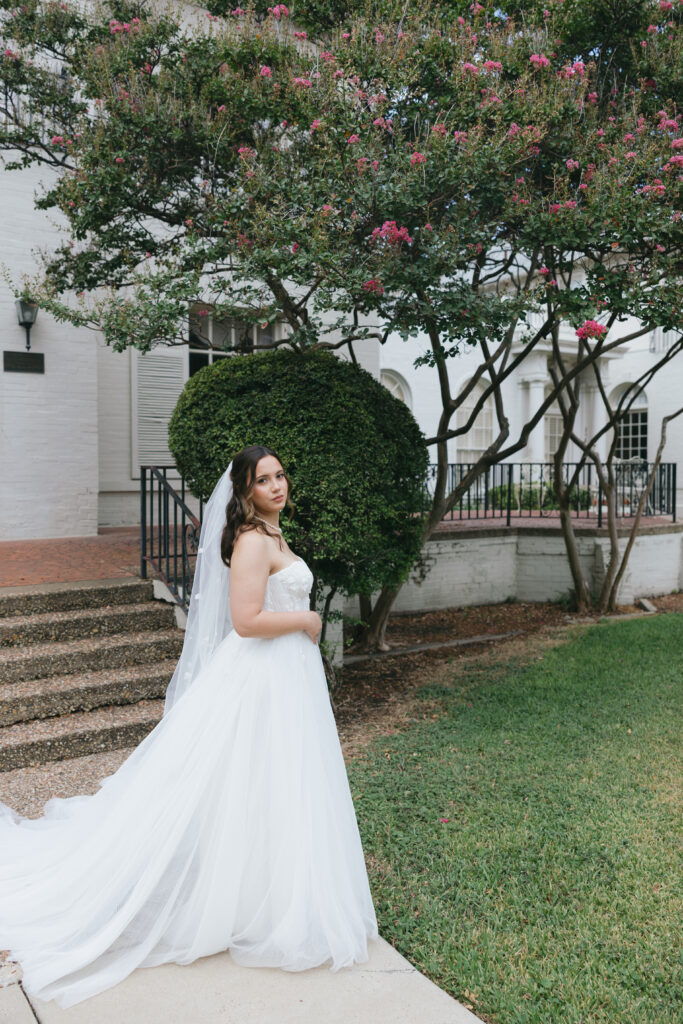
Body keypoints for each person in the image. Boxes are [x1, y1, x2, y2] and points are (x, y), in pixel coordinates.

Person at [0, 444, 380, 1009]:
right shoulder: (253, 540)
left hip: (288, 677)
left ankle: (267, 893)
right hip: (264, 675)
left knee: (275, 784)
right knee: (243, 780)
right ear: (246, 491)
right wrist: (307, 617)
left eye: (280, 475)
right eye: (263, 480)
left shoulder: (274, 534)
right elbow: (246, 621)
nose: (277, 486)